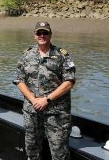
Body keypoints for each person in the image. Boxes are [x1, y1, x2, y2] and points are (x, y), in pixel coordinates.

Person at [13, 22, 76, 160]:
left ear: (50, 35)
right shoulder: (27, 55)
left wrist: (47, 99)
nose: (42, 36)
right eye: (39, 33)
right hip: (32, 110)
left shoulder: (62, 55)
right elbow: (19, 80)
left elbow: (69, 82)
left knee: (60, 152)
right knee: (32, 150)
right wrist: (34, 100)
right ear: (34, 35)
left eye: (45, 33)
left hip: (56, 113)